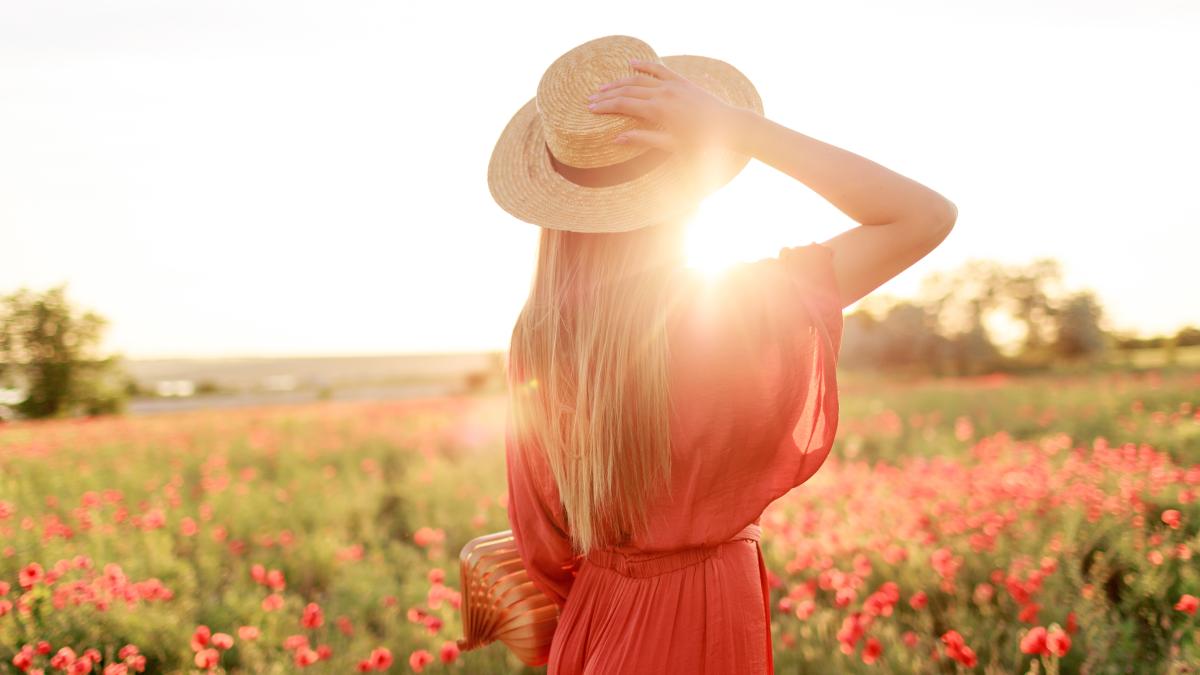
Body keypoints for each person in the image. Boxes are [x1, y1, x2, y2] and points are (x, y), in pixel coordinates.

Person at [488, 36, 956, 675]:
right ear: (688, 178)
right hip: (703, 621)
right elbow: (923, 215)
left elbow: (544, 546)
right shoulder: (739, 306)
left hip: (596, 624)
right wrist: (737, 128)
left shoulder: (539, 334)